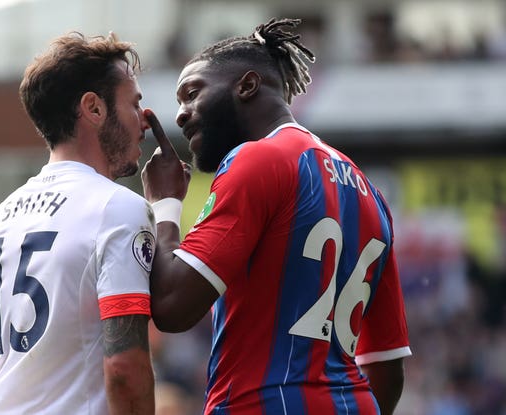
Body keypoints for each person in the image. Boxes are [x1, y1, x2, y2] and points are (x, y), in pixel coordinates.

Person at [141, 18, 412, 415]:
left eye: (192, 93)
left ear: (247, 86)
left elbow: (171, 304)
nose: (181, 114)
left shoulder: (257, 159)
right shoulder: (370, 193)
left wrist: (164, 204)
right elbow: (387, 366)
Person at [0, 31, 156, 414]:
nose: (145, 120)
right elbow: (123, 368)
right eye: (134, 104)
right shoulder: (117, 209)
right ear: (94, 108)